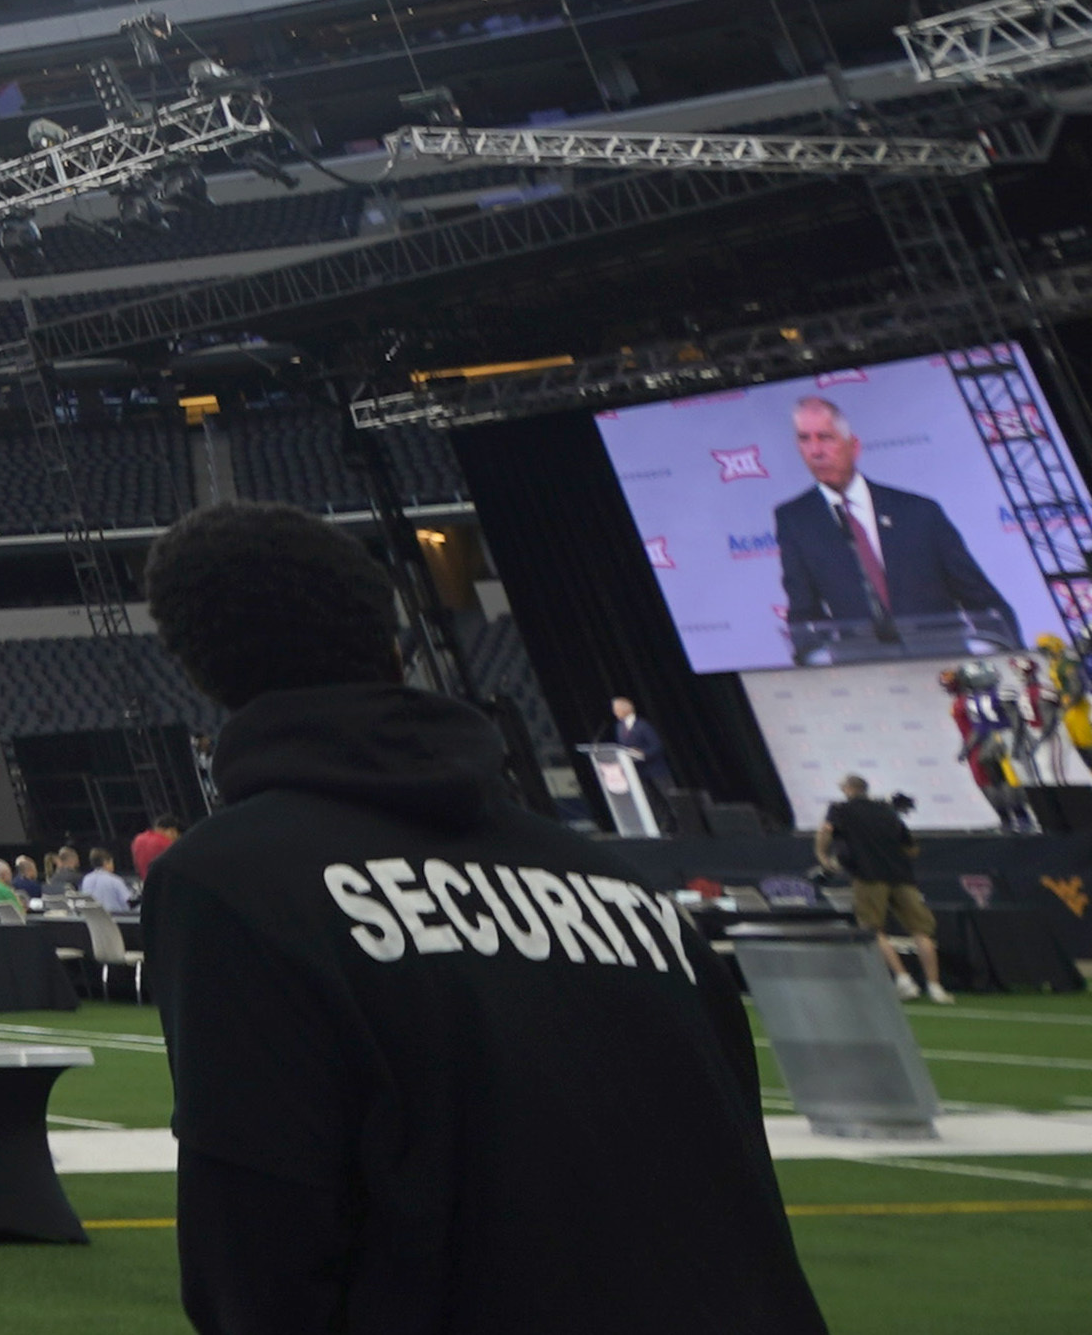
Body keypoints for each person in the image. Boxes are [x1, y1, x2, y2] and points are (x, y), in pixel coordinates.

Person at [135, 499, 818, 1334]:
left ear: (198, 673)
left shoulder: (230, 883)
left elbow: (258, 1257)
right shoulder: (626, 890)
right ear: (392, 645)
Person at [771, 394, 1020, 659]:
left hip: (944, 661)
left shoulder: (918, 512)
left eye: (825, 437)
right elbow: (803, 611)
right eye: (804, 439)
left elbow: (979, 596)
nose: (816, 451)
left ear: (853, 446)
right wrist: (813, 659)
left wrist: (999, 652)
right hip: (863, 671)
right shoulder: (796, 520)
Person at [816, 777, 946, 1002]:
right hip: (902, 877)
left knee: (873, 930)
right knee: (921, 931)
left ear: (848, 790)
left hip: (868, 876)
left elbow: (826, 830)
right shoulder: (887, 810)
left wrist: (822, 857)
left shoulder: (841, 809)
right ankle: (935, 987)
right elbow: (911, 848)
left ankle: (904, 980)